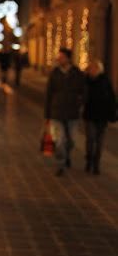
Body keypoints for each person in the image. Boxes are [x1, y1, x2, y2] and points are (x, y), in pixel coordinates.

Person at [44, 47, 86, 176]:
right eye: (58, 57)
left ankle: (67, 155)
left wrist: (80, 102)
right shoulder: (55, 73)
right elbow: (49, 94)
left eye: (61, 57)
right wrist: (47, 115)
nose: (59, 59)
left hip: (72, 113)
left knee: (72, 140)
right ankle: (61, 164)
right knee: (60, 141)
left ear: (67, 58)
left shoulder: (77, 73)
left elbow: (84, 91)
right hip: (56, 112)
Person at [83, 60, 117, 175]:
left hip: (103, 115)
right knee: (90, 139)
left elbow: (112, 97)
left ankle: (96, 163)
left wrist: (113, 113)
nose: (93, 70)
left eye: (95, 68)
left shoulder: (105, 81)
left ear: (99, 69)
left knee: (100, 141)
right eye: (91, 68)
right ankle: (89, 159)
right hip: (90, 114)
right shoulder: (85, 80)